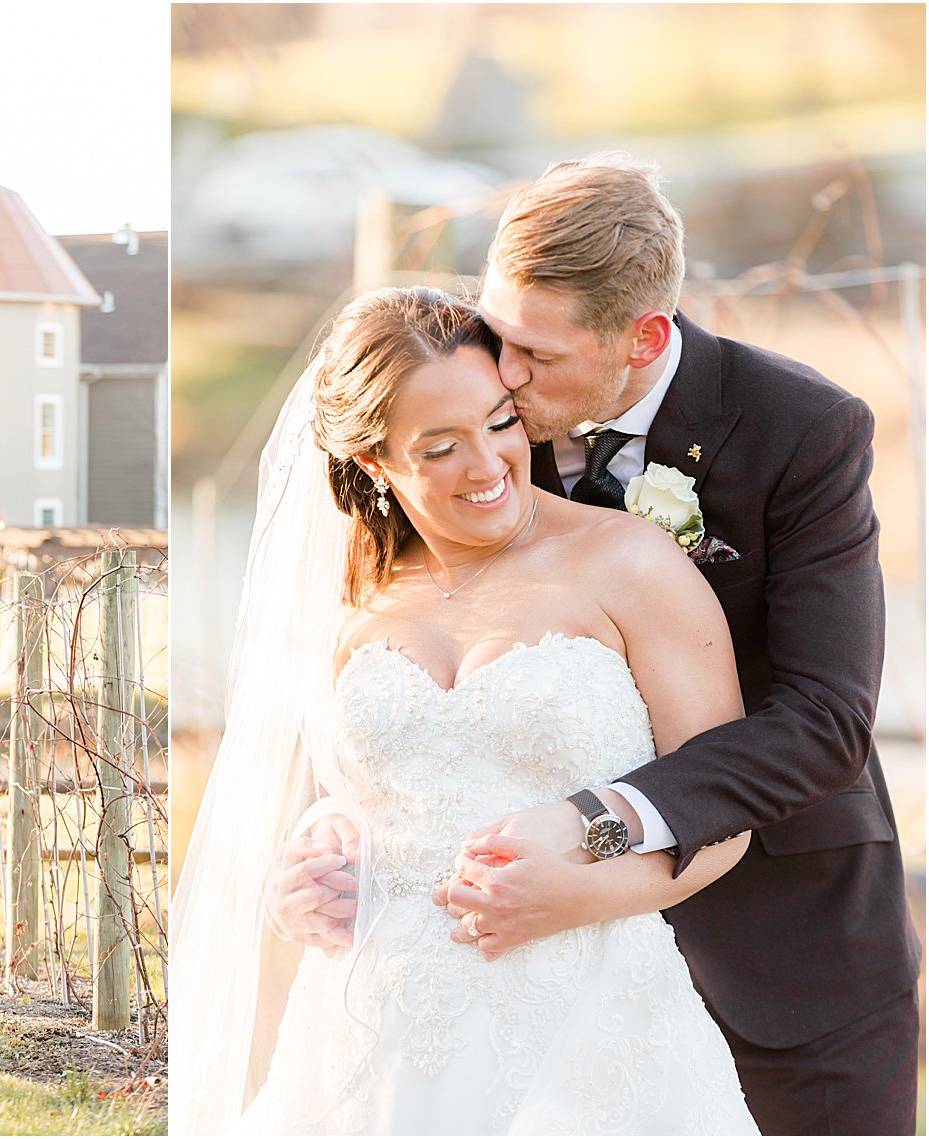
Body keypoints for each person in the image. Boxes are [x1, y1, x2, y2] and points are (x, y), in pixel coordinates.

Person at [172, 286, 759, 1134]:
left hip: (591, 1022)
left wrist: (576, 895)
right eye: (441, 447)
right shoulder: (350, 599)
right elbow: (335, 804)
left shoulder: (628, 563)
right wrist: (300, 882)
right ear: (375, 463)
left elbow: (727, 813)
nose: (487, 466)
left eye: (501, 422)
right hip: (373, 1034)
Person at [419, 155, 919, 1136]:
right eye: (494, 335)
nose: (502, 379)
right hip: (533, 977)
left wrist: (596, 824)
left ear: (643, 337)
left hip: (785, 970)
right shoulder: (470, 415)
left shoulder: (800, 431)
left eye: (537, 356)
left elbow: (823, 723)